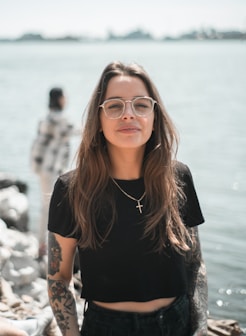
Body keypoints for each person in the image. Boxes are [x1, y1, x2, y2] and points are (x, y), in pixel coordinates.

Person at [47, 61, 208, 336]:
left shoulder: (177, 178)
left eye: (141, 104)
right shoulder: (71, 189)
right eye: (115, 105)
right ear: (98, 120)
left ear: (154, 116)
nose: (128, 114)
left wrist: (200, 328)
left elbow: (195, 264)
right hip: (107, 328)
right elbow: (59, 279)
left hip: (176, 323)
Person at [31, 87, 79, 257]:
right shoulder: (60, 119)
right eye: (64, 97)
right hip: (53, 169)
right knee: (50, 207)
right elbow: (81, 131)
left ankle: (41, 244)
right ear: (59, 99)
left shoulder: (46, 118)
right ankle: (47, 246)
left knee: (46, 206)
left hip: (43, 167)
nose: (66, 100)